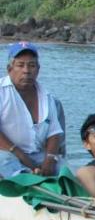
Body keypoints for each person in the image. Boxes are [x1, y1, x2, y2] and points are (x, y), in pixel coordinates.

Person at [0, 41, 64, 178]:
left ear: (38, 69)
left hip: (37, 154)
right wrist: (18, 154)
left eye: (31, 65)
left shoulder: (47, 97)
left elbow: (54, 133)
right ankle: (28, 180)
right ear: (9, 68)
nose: (26, 71)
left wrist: (50, 159)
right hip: (6, 153)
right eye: (20, 65)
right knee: (4, 162)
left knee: (64, 170)